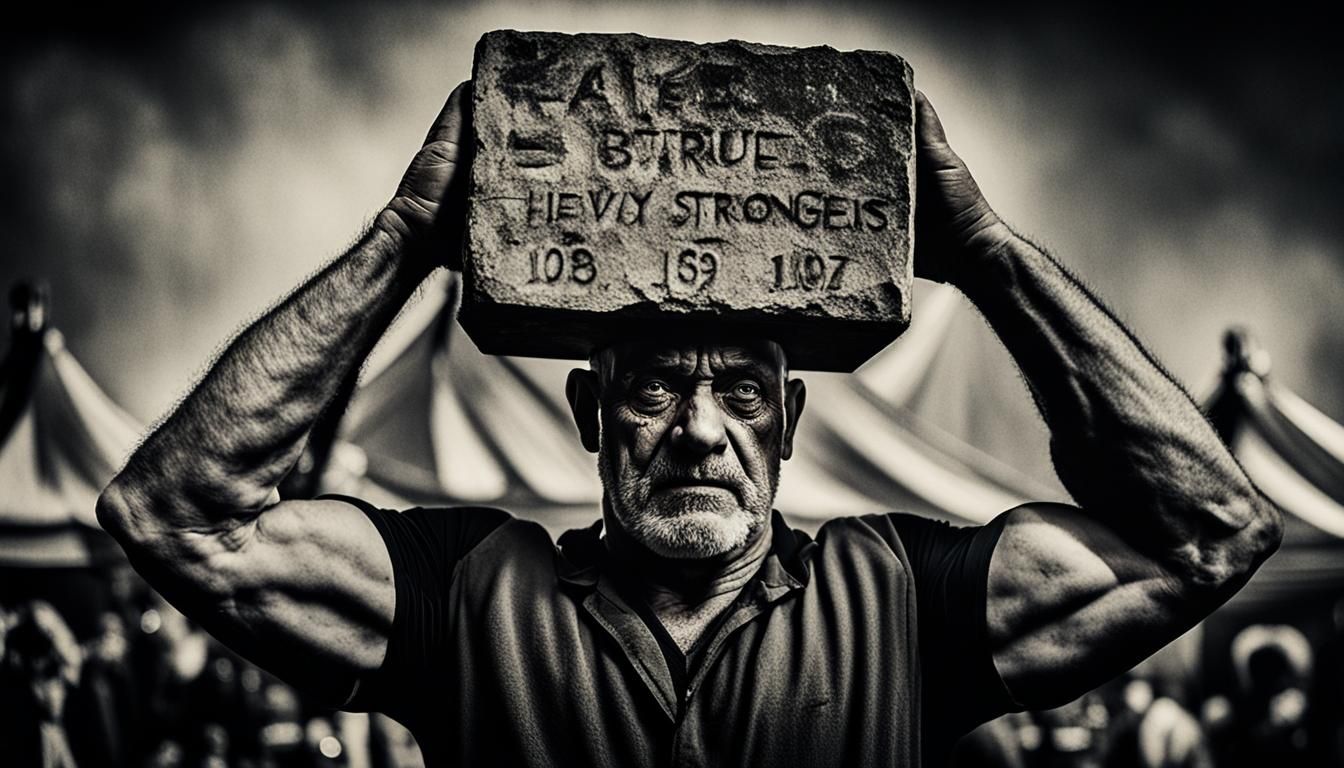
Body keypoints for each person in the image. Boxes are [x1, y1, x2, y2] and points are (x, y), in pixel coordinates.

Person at [95, 77, 1283, 768]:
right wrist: (407, 234)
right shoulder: (471, 594)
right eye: (657, 388)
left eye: (743, 394)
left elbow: (1211, 535)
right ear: (590, 413)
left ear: (788, 422)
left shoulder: (902, 601)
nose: (700, 431)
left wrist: (983, 252)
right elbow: (178, 518)